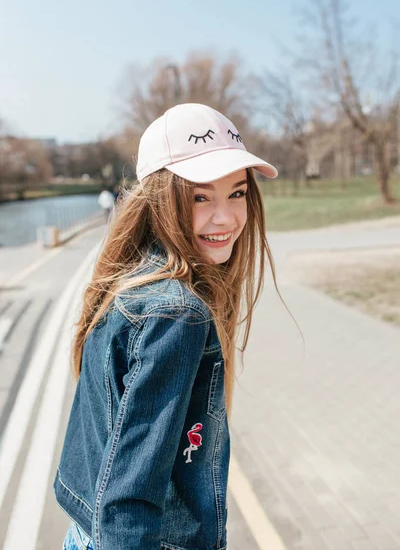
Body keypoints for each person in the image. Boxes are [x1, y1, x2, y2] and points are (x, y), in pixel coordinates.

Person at [54, 103, 279, 550]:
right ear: (161, 199)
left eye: (236, 193)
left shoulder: (131, 278)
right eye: (200, 197)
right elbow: (128, 499)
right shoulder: (176, 313)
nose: (226, 218)